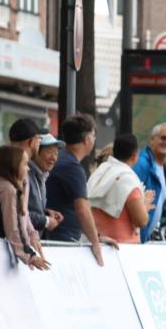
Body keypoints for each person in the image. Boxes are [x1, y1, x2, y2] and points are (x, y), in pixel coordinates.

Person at [46, 113, 117, 265]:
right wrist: (96, 243)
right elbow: (82, 209)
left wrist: (95, 236)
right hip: (62, 242)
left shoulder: (60, 158)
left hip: (52, 238)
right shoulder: (72, 167)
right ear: (87, 139)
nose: (95, 139)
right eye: (94, 134)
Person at [0, 146, 49, 269]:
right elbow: (13, 228)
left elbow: (20, 220)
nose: (28, 168)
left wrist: (31, 236)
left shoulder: (3, 186)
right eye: (25, 164)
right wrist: (29, 255)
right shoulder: (8, 190)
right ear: (14, 165)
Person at [87, 133, 152, 245]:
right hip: (122, 249)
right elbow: (141, 221)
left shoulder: (99, 172)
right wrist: (145, 205)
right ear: (135, 156)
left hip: (97, 244)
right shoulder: (128, 179)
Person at [132, 122, 166, 242]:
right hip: (133, 237)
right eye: (163, 137)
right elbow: (128, 198)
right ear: (152, 140)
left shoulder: (164, 171)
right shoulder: (141, 164)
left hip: (144, 239)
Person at [28, 134, 64, 236]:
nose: (53, 157)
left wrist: (47, 213)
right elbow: (19, 214)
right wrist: (46, 220)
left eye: (56, 153)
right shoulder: (26, 175)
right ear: (36, 151)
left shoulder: (41, 176)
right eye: (49, 152)